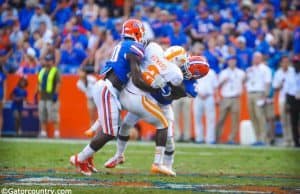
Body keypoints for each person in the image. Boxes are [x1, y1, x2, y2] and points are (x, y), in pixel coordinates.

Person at [70, 19, 155, 176]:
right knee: (110, 132)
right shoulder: (133, 47)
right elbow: (136, 78)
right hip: (108, 89)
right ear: (136, 32)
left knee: (108, 128)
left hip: (107, 88)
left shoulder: (123, 45)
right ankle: (80, 158)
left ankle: (88, 158)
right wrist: (152, 88)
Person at [105, 53, 209, 175]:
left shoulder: (192, 87)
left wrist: (165, 86)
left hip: (163, 104)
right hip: (148, 97)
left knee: (169, 138)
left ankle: (168, 166)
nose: (184, 68)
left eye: (188, 68)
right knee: (126, 125)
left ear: (196, 75)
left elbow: (172, 95)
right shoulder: (176, 64)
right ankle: (119, 155)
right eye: (185, 65)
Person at [215, 56, 245, 144]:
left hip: (235, 97)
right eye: (230, 61)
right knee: (221, 118)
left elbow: (244, 82)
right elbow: (218, 86)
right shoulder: (223, 73)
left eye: (233, 61)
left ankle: (232, 138)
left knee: (235, 119)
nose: (232, 62)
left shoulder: (241, 73)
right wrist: (223, 82)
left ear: (235, 62)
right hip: (225, 97)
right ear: (228, 62)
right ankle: (217, 137)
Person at [245, 52, 272, 145]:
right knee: (253, 117)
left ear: (261, 59)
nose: (255, 59)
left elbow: (268, 83)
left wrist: (265, 95)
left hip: (259, 94)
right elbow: (245, 81)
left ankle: (263, 139)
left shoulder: (265, 69)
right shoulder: (249, 69)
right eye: (254, 57)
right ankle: (257, 139)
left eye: (257, 57)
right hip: (250, 93)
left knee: (260, 117)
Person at [273, 55, 294, 146]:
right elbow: (275, 87)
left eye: (287, 62)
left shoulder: (293, 71)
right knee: (283, 119)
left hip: (292, 98)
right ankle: (286, 139)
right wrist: (279, 85)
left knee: (292, 119)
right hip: (282, 98)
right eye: (283, 62)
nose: (285, 64)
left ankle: (293, 139)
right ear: (281, 63)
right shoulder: (278, 73)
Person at [38, 54, 61, 138]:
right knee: (42, 115)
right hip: (43, 97)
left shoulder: (55, 70)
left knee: (54, 115)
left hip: (51, 97)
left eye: (49, 60)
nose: (47, 62)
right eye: (46, 60)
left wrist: (56, 94)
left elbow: (58, 83)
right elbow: (39, 83)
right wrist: (37, 93)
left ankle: (56, 133)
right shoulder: (42, 70)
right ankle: (43, 132)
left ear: (52, 61)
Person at [193, 67, 218, 144]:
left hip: (209, 96)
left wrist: (217, 96)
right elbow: (193, 85)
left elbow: (215, 86)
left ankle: (210, 139)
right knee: (197, 118)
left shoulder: (212, 72)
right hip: (198, 96)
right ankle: (199, 138)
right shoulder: (195, 72)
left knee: (210, 118)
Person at [76, 68, 97, 137]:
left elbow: (97, 86)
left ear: (85, 73)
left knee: (101, 114)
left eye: (81, 72)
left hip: (97, 97)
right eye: (79, 72)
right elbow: (85, 91)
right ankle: (93, 132)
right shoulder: (79, 83)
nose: (80, 74)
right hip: (90, 99)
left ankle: (100, 132)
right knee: (91, 116)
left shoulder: (91, 78)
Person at [284, 55, 300, 147]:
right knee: (293, 121)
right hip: (292, 98)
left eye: (297, 63)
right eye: (295, 63)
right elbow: (287, 89)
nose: (296, 65)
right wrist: (287, 103)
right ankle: (296, 141)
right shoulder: (289, 74)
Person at [0, 66, 6, 136]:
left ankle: (0, 131)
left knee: (0, 114)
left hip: (0, 96)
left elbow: (5, 86)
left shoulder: (2, 74)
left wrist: (4, 98)